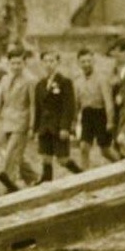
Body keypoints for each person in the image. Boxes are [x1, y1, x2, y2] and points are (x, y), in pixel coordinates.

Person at [32, 52, 82, 181]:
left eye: (52, 61)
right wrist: (35, 129)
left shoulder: (65, 82)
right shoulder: (40, 84)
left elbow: (69, 107)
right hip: (44, 126)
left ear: (58, 63)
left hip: (58, 126)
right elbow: (38, 108)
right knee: (45, 157)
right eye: (46, 61)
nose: (49, 64)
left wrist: (65, 127)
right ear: (42, 63)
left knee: (62, 159)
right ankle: (46, 181)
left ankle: (83, 176)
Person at [0, 47, 35, 192]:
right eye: (13, 63)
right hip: (6, 122)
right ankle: (33, 178)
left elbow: (33, 104)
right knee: (18, 155)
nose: (16, 66)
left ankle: (10, 184)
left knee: (11, 153)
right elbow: (0, 101)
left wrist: (31, 126)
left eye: (19, 63)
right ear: (8, 64)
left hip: (22, 121)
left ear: (24, 63)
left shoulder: (30, 80)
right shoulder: (5, 79)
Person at [74, 49, 118, 170]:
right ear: (78, 63)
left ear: (93, 61)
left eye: (89, 61)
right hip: (87, 115)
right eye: (83, 62)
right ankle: (85, 176)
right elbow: (77, 104)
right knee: (83, 147)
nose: (86, 64)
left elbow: (108, 102)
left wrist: (110, 121)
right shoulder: (77, 80)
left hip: (101, 114)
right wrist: (73, 122)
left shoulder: (102, 78)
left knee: (105, 150)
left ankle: (123, 165)